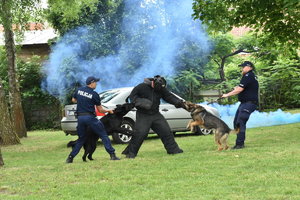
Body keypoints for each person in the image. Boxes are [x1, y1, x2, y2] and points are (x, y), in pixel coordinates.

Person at [122, 75, 186, 158]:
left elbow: (169, 96)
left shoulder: (161, 88)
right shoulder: (141, 87)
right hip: (143, 115)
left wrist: (179, 103)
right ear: (154, 83)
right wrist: (141, 102)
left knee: (166, 131)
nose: (160, 90)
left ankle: (173, 150)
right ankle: (130, 153)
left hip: (156, 114)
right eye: (159, 88)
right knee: (140, 134)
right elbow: (132, 97)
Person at [66, 76, 120, 163]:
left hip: (80, 118)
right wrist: (108, 111)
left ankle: (70, 157)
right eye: (95, 83)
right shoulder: (94, 94)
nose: (96, 84)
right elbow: (100, 110)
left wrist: (81, 101)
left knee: (81, 139)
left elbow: (73, 100)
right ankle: (112, 155)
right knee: (103, 135)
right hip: (90, 118)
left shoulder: (79, 90)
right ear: (91, 83)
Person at [221, 61, 259, 149]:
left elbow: (239, 90)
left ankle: (240, 144)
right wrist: (236, 89)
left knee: (240, 122)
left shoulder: (248, 76)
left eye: (243, 67)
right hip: (244, 103)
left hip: (249, 103)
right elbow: (241, 88)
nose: (242, 69)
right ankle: (239, 142)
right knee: (236, 122)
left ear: (249, 67)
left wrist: (227, 95)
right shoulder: (249, 76)